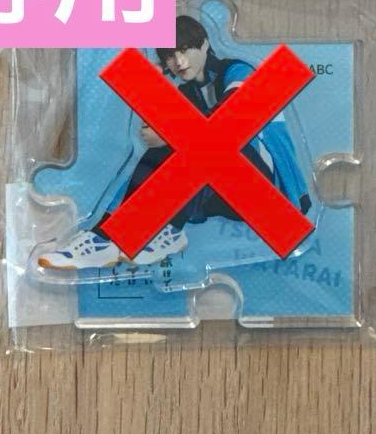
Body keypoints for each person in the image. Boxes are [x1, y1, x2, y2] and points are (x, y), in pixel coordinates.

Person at [38, 16, 311, 272]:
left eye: (185, 49)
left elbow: (232, 121)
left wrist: (168, 129)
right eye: (169, 55)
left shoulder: (238, 71)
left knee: (192, 145)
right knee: (169, 151)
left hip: (265, 190)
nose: (179, 61)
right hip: (220, 194)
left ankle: (156, 230)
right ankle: (106, 238)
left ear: (205, 44)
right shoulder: (188, 93)